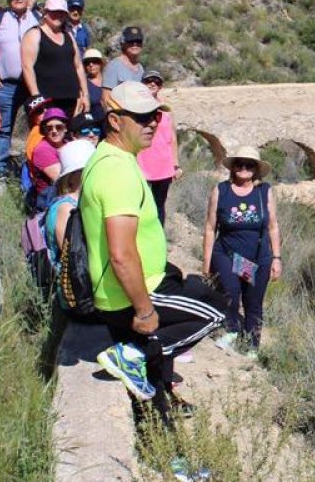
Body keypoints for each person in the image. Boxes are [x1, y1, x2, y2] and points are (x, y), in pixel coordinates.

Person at [84, 81, 225, 433]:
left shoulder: (116, 159)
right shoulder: (116, 171)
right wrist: (145, 310)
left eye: (156, 117)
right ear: (115, 120)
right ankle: (131, 355)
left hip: (137, 284)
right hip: (131, 292)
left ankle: (163, 436)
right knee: (214, 311)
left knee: (156, 373)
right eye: (142, 117)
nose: (152, 124)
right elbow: (120, 253)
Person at [203, 145, 281, 356]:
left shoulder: (264, 192)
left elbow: (273, 226)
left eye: (249, 165)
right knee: (231, 290)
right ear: (233, 167)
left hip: (256, 257)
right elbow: (210, 228)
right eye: (239, 164)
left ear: (256, 169)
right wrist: (206, 262)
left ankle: (252, 346)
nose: (243, 168)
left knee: (253, 302)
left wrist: (276, 258)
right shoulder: (222, 190)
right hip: (227, 253)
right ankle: (231, 330)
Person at [0, 0, 51, 178]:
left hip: (33, 84)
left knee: (40, 124)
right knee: (3, 127)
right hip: (5, 85)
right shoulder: (0, 18)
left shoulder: (36, 18)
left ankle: (40, 166)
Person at [21, 0, 88, 118]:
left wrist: (85, 95)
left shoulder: (68, 35)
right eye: (54, 12)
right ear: (45, 13)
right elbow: (27, 67)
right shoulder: (34, 34)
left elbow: (78, 66)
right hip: (46, 100)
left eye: (62, 13)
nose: (58, 16)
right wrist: (37, 100)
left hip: (71, 99)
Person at [137, 71, 182, 228]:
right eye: (148, 80)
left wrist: (175, 164)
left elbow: (172, 138)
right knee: (140, 203)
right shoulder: (136, 108)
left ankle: (158, 234)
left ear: (161, 86)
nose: (152, 83)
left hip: (163, 164)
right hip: (142, 163)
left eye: (157, 81)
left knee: (159, 204)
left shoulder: (165, 110)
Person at [45, 139, 97, 272]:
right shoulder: (66, 209)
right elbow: (72, 255)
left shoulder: (79, 202)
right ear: (72, 177)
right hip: (73, 279)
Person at [28, 107, 71, 211]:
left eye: (59, 127)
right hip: (50, 201)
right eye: (49, 128)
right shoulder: (42, 150)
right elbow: (62, 179)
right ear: (44, 130)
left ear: (65, 128)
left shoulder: (68, 143)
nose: (54, 131)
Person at [102, 26, 145, 104]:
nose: (135, 44)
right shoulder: (114, 66)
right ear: (123, 43)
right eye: (131, 41)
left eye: (138, 41)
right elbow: (106, 98)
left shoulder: (140, 68)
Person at [82, 48, 106, 123]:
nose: (91, 65)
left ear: (101, 63)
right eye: (87, 62)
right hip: (92, 125)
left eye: (95, 61)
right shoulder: (83, 85)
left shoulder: (110, 81)